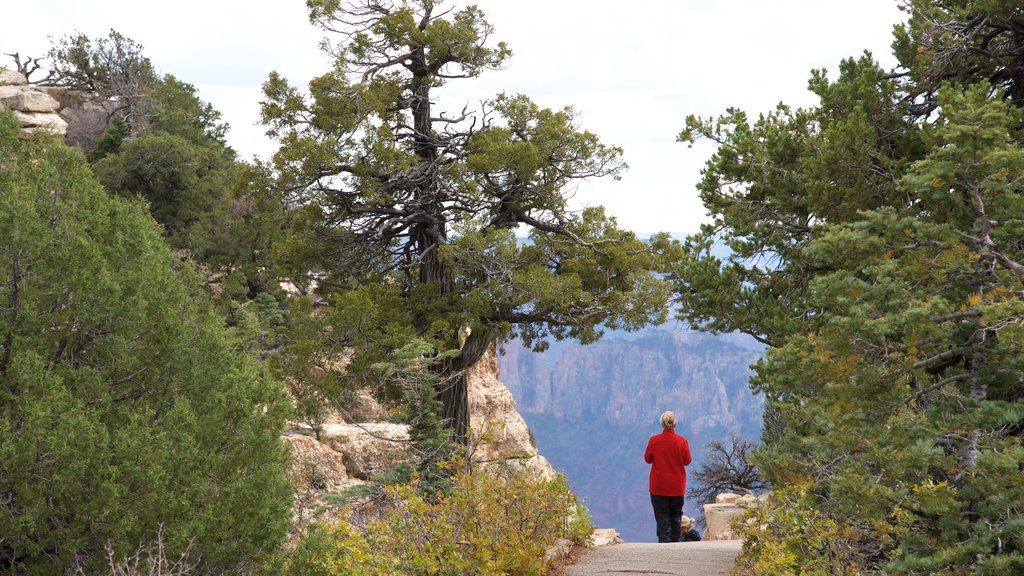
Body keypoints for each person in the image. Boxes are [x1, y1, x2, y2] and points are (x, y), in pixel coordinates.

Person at [644, 410, 692, 543]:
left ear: (662, 424)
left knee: (662, 514)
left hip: (658, 485)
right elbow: (687, 460)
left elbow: (647, 459)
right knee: (676, 514)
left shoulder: (654, 440)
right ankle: (676, 539)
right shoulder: (682, 441)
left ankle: (664, 540)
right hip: (677, 485)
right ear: (675, 423)